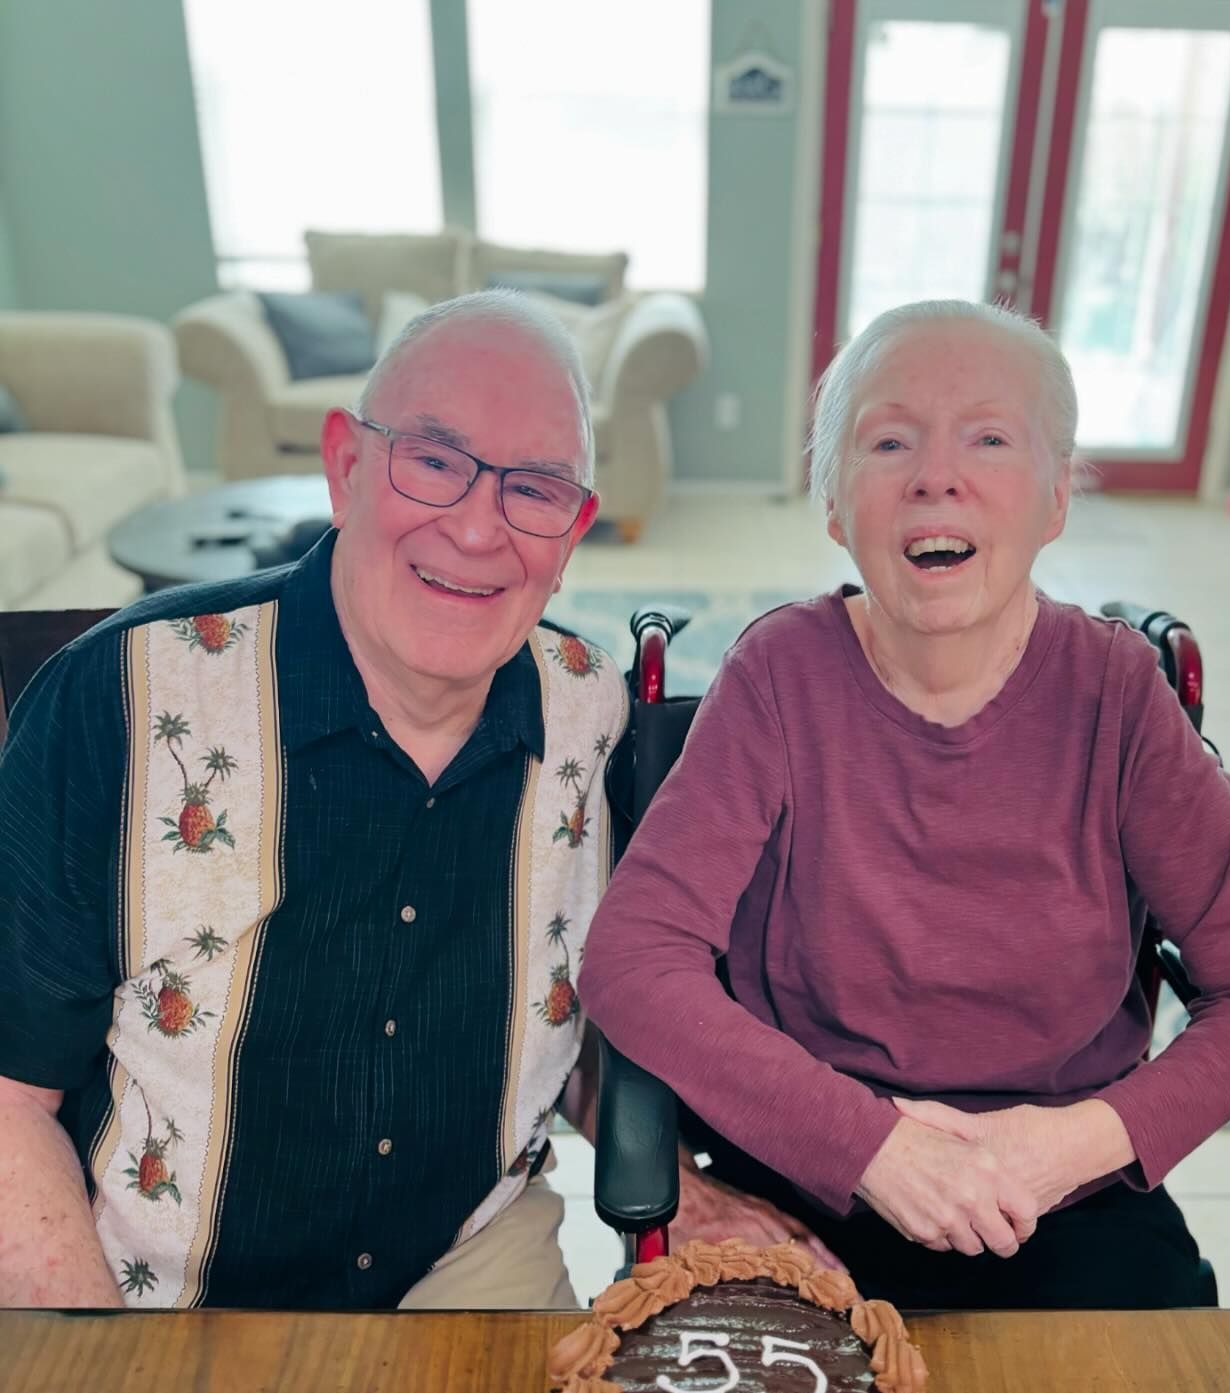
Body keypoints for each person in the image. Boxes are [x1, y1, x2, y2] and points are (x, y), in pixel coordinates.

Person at [0, 289, 803, 1312]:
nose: (476, 529)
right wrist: (95, 1392)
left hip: (468, 1257)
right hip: (160, 1295)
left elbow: (585, 1029)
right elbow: (10, 1101)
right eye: (434, 462)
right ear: (346, 466)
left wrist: (680, 1190)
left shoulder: (596, 718)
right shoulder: (117, 699)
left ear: (574, 530)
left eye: (535, 489)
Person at [579, 299, 1230, 1309]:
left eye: (988, 437)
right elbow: (633, 962)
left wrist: (1071, 1143)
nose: (937, 474)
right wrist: (876, 1145)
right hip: (809, 1186)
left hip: (1067, 1196)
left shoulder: (1115, 698)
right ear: (837, 508)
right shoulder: (778, 677)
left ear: (1055, 497)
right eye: (890, 440)